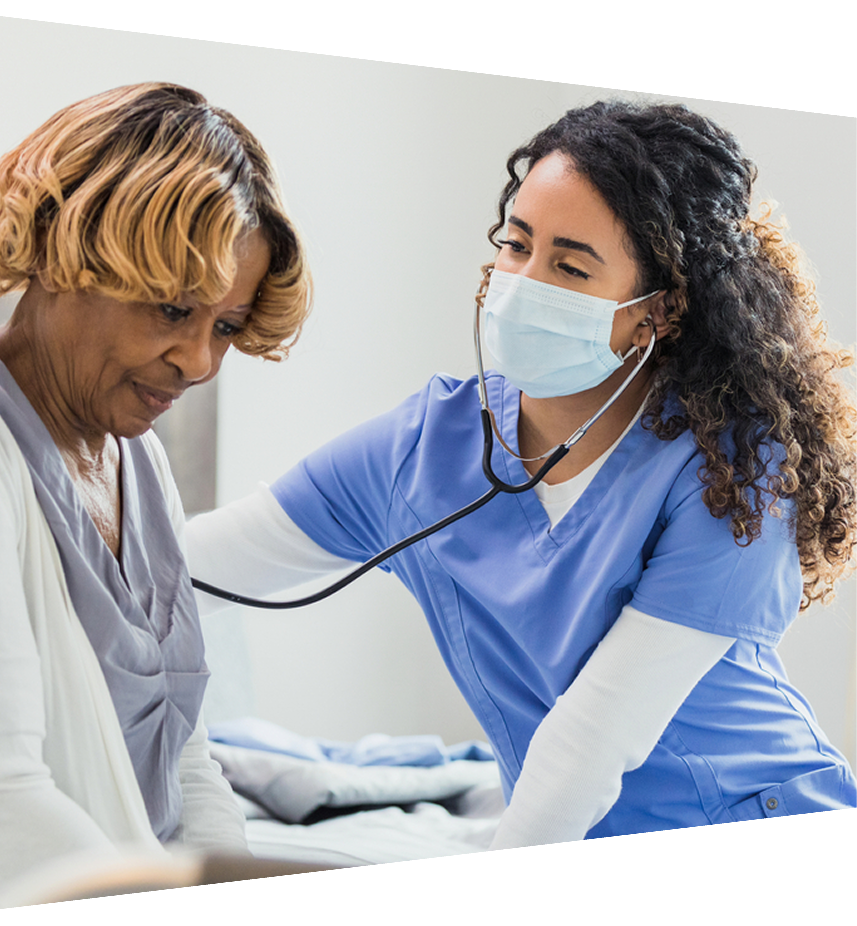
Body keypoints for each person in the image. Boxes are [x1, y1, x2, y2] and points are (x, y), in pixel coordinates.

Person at [187, 100, 857, 845]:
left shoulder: (732, 467)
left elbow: (593, 740)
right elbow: (177, 570)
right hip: (580, 854)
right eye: (515, 244)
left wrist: (502, 896)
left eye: (571, 266)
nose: (524, 282)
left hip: (772, 844)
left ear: (657, 312)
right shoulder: (423, 447)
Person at [0, 82, 310, 920]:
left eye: (225, 325)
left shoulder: (136, 453)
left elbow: (185, 757)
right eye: (174, 310)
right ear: (66, 258)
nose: (200, 361)